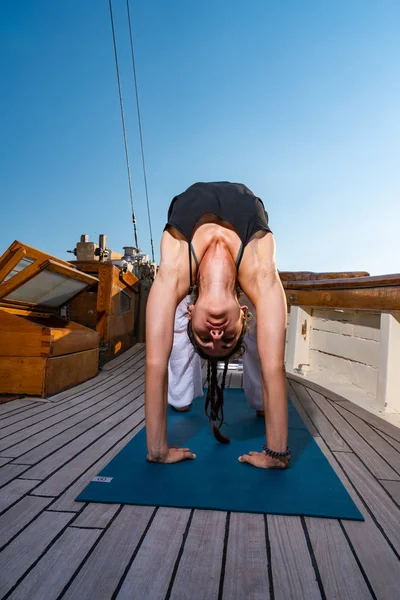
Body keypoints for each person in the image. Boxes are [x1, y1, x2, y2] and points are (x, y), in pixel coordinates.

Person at [145, 181, 289, 469]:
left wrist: (158, 449)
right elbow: (274, 365)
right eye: (226, 340)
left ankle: (182, 399)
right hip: (247, 203)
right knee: (263, 345)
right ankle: (195, 399)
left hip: (186, 202)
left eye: (205, 339)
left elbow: (154, 363)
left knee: (168, 330)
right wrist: (276, 454)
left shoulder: (174, 272)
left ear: (191, 310)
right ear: (242, 312)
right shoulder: (261, 275)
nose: (215, 335)